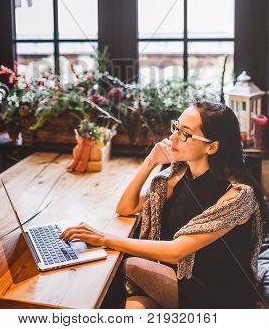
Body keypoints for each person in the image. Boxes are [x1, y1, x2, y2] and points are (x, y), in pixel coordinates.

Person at [61, 101, 268, 309]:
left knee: (125, 265)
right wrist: (150, 162)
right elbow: (125, 207)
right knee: (132, 307)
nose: (172, 138)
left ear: (212, 147)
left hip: (219, 293)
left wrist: (102, 238)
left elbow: (176, 251)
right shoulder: (176, 176)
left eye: (185, 134)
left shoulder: (239, 195)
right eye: (176, 127)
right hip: (176, 278)